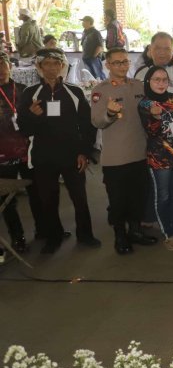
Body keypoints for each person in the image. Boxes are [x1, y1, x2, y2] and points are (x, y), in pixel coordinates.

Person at [16, 48, 100, 254]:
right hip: (43, 156)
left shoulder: (74, 92)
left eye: (56, 63)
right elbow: (24, 129)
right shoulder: (30, 94)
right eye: (47, 64)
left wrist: (84, 152)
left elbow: (87, 125)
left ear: (62, 66)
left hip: (72, 155)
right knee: (48, 199)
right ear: (39, 67)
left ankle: (85, 234)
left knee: (79, 198)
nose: (52, 68)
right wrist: (32, 115)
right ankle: (53, 237)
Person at [91, 47, 158, 255]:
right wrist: (110, 113)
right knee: (118, 200)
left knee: (138, 196)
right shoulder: (101, 91)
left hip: (139, 152)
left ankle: (136, 231)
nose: (122, 66)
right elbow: (97, 121)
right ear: (107, 65)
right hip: (116, 157)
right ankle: (120, 236)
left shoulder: (139, 86)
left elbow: (148, 112)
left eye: (125, 61)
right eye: (117, 62)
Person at [137, 66, 173, 251]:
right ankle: (168, 234)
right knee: (163, 196)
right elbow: (151, 131)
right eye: (156, 79)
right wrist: (154, 116)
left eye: (164, 80)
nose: (161, 83)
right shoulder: (145, 104)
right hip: (160, 158)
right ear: (148, 82)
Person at [0, 53, 38, 256]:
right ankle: (18, 237)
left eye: (3, 64)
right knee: (7, 200)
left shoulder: (23, 90)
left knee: (37, 191)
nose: (0, 70)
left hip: (27, 150)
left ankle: (43, 229)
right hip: (3, 154)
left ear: (9, 66)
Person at [135, 32, 173, 99]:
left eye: (167, 49)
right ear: (150, 48)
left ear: (172, 51)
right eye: (157, 48)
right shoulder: (141, 71)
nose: (162, 52)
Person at [80, 15, 105, 80]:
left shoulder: (95, 33)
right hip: (86, 57)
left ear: (89, 22)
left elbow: (100, 46)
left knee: (98, 75)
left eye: (84, 21)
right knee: (90, 77)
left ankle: (104, 85)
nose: (82, 23)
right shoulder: (85, 32)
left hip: (94, 58)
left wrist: (94, 56)